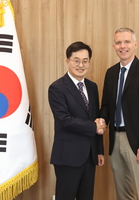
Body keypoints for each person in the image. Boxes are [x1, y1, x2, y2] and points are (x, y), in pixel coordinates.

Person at [100, 28, 139, 200]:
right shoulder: (111, 73)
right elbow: (106, 105)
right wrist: (101, 120)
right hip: (115, 139)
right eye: (118, 42)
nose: (122, 46)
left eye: (126, 42)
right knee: (122, 192)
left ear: (135, 44)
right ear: (114, 46)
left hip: (137, 141)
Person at [48, 41, 106, 200]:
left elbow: (96, 119)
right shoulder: (57, 88)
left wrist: (99, 150)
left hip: (90, 156)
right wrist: (93, 127)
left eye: (85, 61)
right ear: (68, 61)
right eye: (76, 60)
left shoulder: (92, 87)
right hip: (68, 156)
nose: (81, 65)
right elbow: (64, 119)